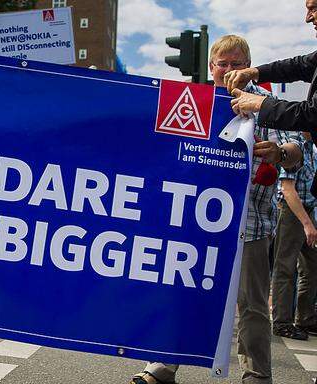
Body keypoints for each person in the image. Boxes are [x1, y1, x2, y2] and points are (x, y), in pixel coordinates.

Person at [131, 35, 302, 384]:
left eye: (237, 63)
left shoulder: (265, 102)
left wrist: (280, 152)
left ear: (249, 65)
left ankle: (256, 375)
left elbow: (297, 150)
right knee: (181, 294)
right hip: (198, 222)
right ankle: (163, 366)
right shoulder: (194, 102)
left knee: (252, 306)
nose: (229, 70)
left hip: (250, 225)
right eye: (222, 64)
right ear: (211, 67)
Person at [227, 0, 317, 138]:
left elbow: (312, 115)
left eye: (314, 9)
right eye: (222, 64)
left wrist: (261, 103)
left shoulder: (263, 95)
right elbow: (300, 65)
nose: (308, 18)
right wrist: (254, 72)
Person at [272, 132, 317, 340]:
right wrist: (307, 224)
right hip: (291, 211)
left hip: (307, 209)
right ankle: (282, 322)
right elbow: (287, 189)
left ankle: (306, 318)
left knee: (312, 266)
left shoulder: (311, 148)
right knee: (286, 268)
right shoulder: (293, 146)